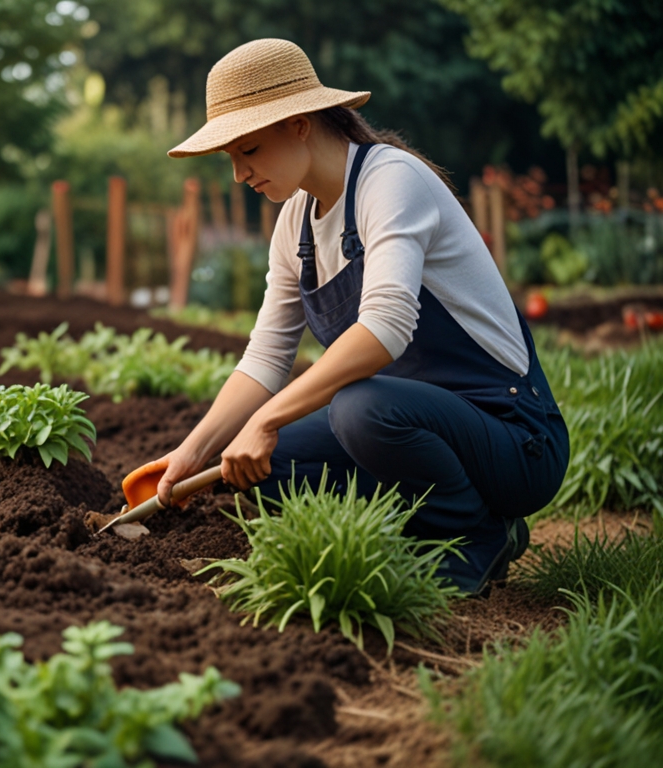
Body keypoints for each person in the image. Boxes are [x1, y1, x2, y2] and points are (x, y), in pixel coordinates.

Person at [154, 38, 569, 595]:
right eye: (230, 158)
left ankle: (475, 537)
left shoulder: (390, 180)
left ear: (298, 124)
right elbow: (266, 357)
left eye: (247, 150)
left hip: (514, 439)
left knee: (357, 407)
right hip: (417, 424)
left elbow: (385, 328)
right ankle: (421, 530)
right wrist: (193, 450)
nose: (238, 174)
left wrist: (267, 419)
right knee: (272, 466)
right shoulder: (295, 224)